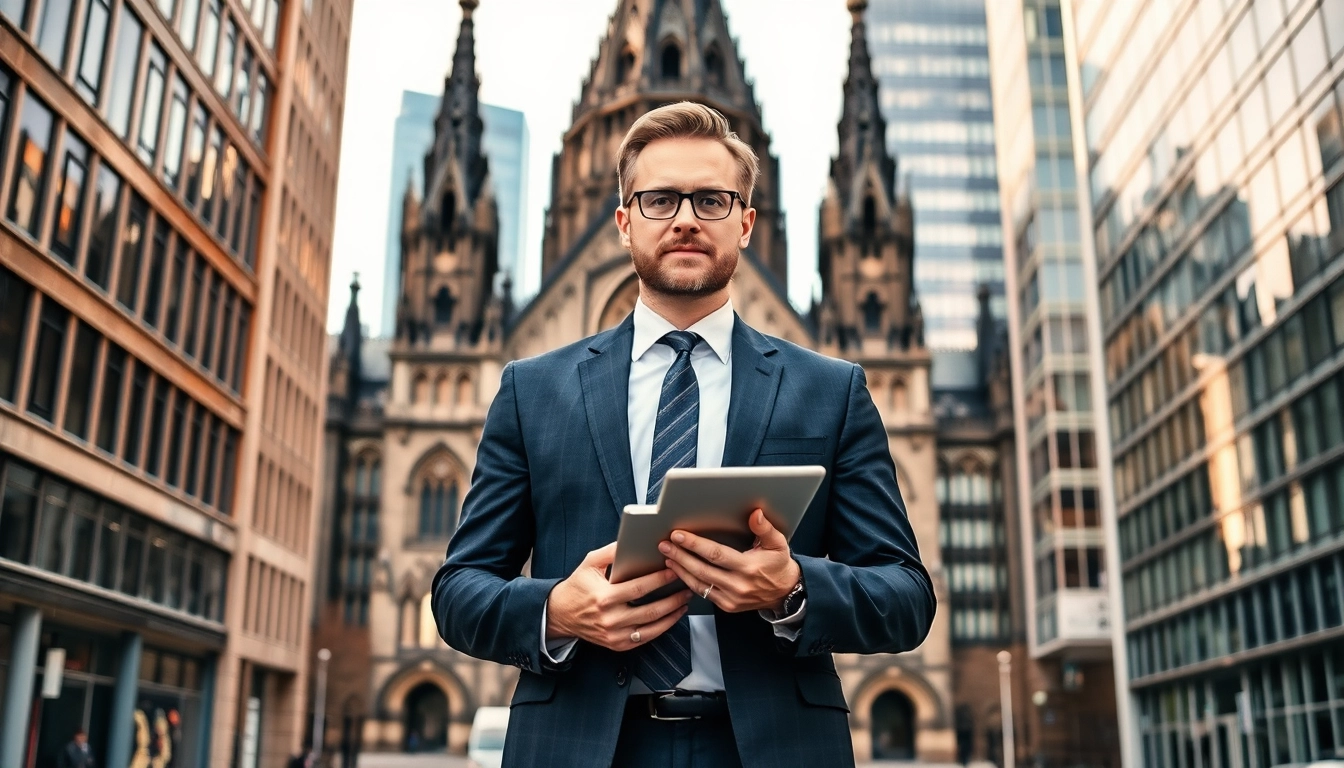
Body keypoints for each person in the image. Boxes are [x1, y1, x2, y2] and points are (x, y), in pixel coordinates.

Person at [432, 102, 935, 768]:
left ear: (747, 223)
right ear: (624, 222)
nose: (687, 219)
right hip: (577, 746)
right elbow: (458, 592)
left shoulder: (832, 391)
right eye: (661, 199)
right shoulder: (532, 391)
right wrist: (555, 610)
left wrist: (793, 588)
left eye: (712, 200)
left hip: (773, 749)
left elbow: (906, 597)